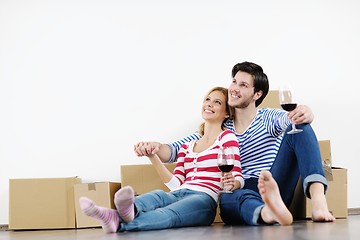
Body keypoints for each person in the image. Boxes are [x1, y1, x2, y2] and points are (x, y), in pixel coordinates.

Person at [135, 61, 335, 225]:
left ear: (257, 95)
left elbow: (293, 118)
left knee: (300, 126)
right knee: (227, 196)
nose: (234, 89)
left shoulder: (268, 117)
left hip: (272, 181)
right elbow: (173, 151)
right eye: (234, 82)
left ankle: (318, 200)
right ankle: (267, 213)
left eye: (243, 85)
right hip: (240, 189)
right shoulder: (219, 127)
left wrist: (306, 111)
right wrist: (154, 147)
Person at [79, 86, 243, 233]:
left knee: (167, 214)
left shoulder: (226, 137)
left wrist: (232, 183)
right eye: (207, 99)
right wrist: (153, 157)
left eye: (217, 102)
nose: (209, 104)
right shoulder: (187, 146)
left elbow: (238, 176)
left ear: (227, 112)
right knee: (158, 195)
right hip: (180, 192)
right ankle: (123, 210)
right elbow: (176, 184)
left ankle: (116, 220)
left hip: (204, 198)